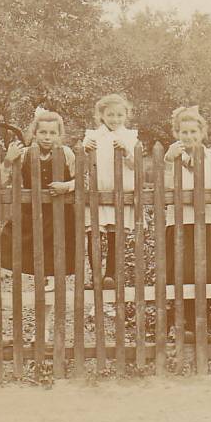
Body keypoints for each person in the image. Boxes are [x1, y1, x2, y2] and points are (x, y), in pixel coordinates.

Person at [163, 106, 211, 343]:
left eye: (193, 132)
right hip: (179, 222)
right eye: (184, 132)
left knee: (206, 272)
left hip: (207, 221)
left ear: (202, 132)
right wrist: (167, 161)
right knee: (180, 272)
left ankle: (203, 325)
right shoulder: (172, 156)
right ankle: (181, 324)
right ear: (177, 133)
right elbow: (165, 187)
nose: (189, 137)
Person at [0, 107, 76, 281]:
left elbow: (84, 182)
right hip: (30, 215)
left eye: (52, 133)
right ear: (35, 133)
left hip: (60, 217)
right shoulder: (25, 154)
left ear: (59, 134)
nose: (47, 137)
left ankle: (52, 302)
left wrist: (67, 186)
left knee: (55, 266)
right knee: (27, 260)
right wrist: (8, 160)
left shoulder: (67, 154)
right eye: (42, 132)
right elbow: (0, 183)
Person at [82, 94, 139, 290]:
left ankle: (111, 275)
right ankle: (95, 275)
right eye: (110, 115)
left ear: (126, 115)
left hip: (120, 192)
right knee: (94, 233)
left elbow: (135, 165)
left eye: (119, 115)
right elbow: (81, 162)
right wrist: (84, 148)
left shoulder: (130, 136)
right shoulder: (92, 136)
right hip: (97, 191)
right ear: (101, 115)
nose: (115, 119)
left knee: (116, 234)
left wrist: (125, 151)